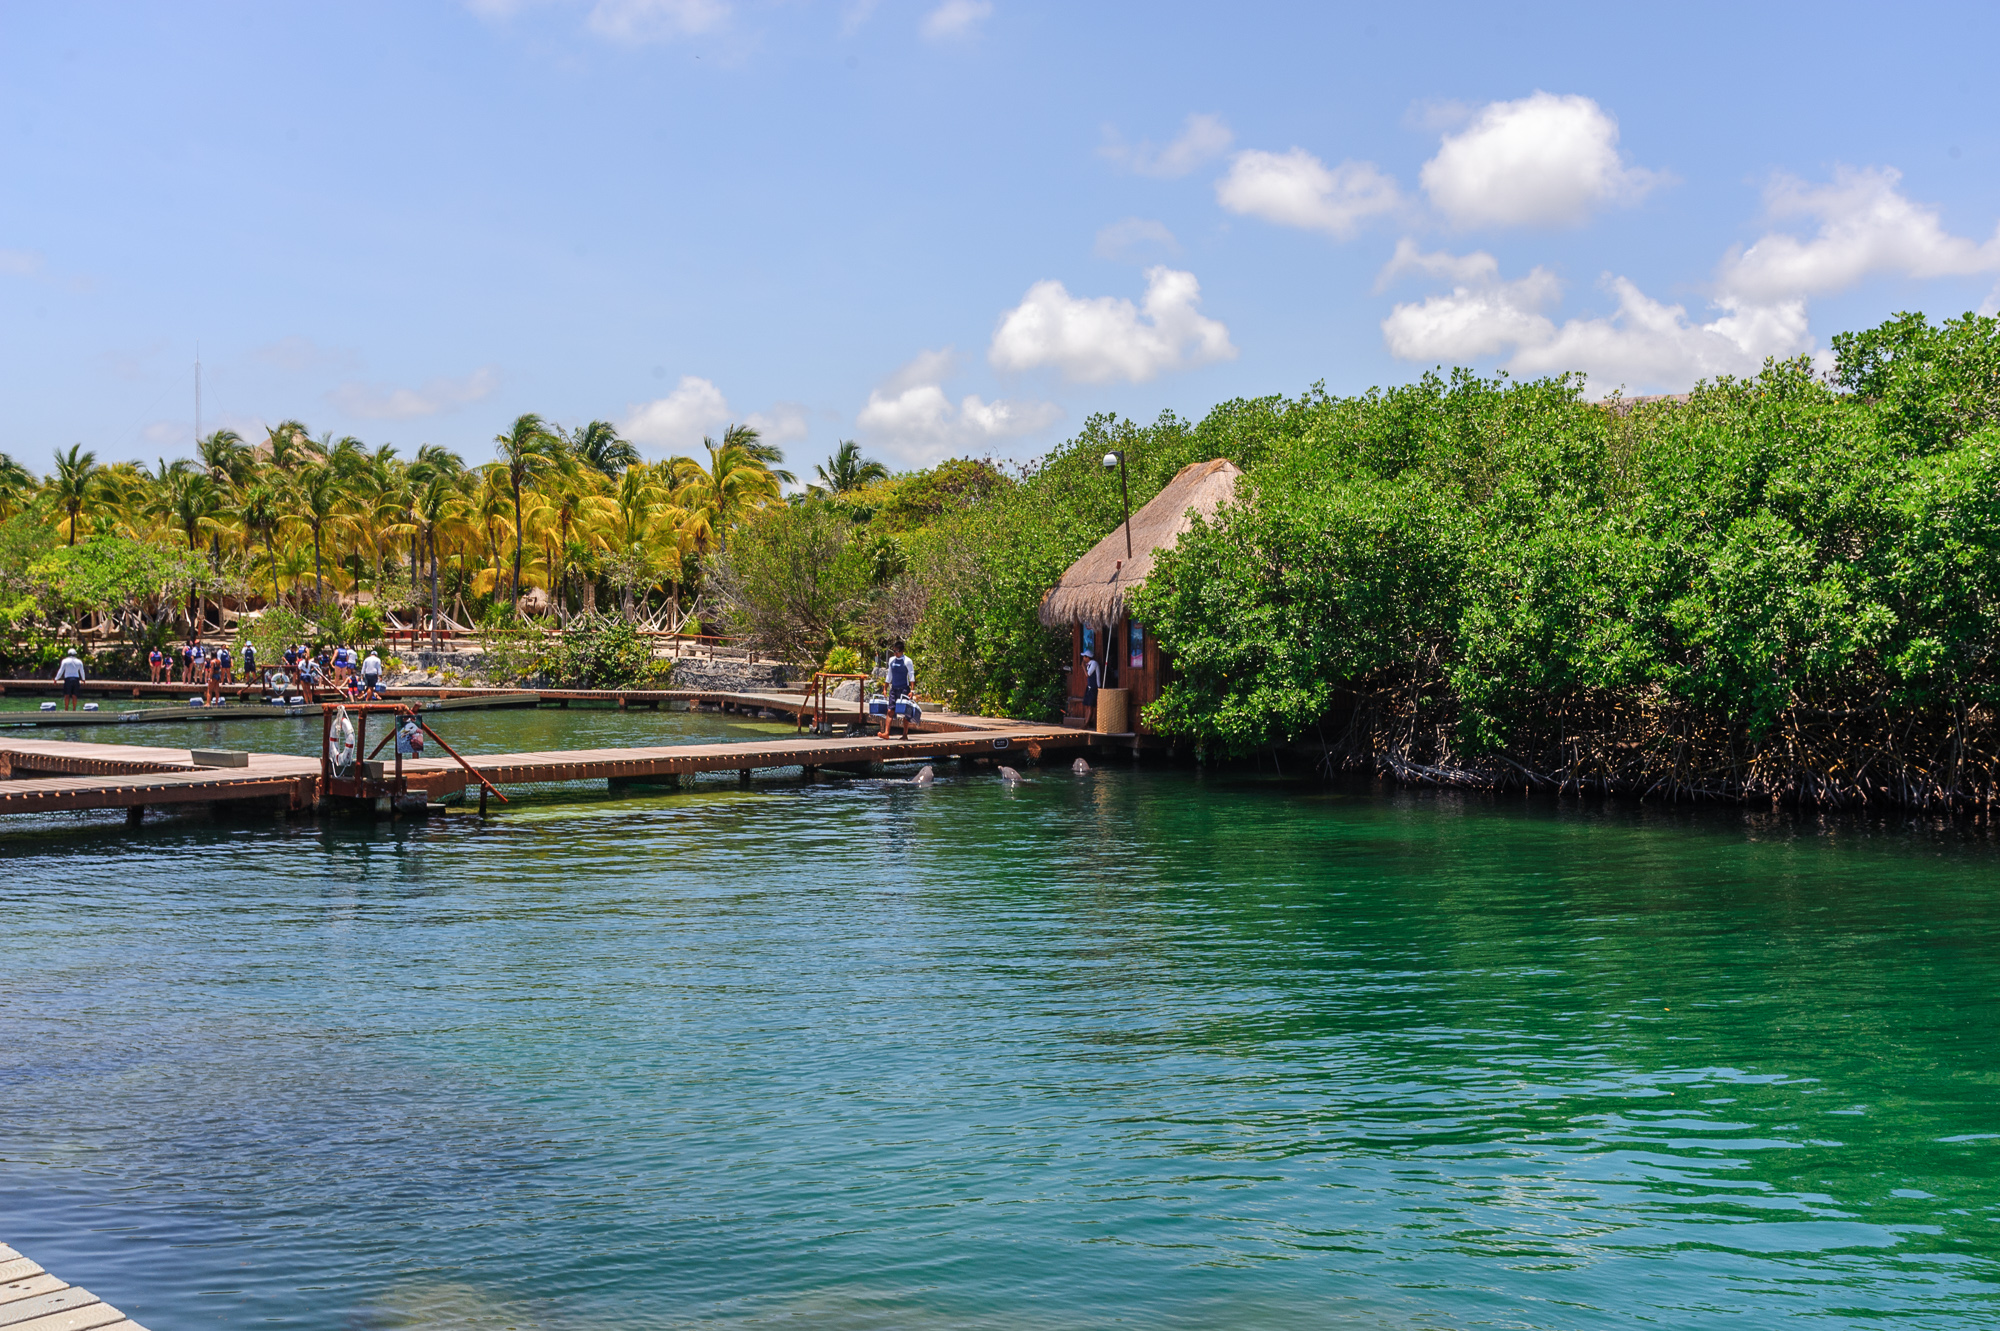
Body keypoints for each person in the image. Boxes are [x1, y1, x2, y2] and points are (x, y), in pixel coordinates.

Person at [879, 639, 915, 739]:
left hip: (904, 689)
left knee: (905, 711)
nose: (895, 653)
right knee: (890, 710)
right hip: (894, 689)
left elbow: (911, 676)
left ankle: (905, 734)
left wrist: (912, 691)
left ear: (902, 651)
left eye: (897, 651)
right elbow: (889, 675)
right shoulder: (891, 660)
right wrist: (885, 688)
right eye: (894, 651)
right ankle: (886, 733)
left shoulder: (907, 661)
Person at [54, 645, 87, 711]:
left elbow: (61, 670)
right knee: (74, 695)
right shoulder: (79, 661)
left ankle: (66, 709)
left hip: (68, 679)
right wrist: (83, 679)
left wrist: (56, 679)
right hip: (76, 679)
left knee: (67, 695)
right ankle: (74, 709)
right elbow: (82, 671)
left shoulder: (65, 661)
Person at [1082, 649, 1101, 726]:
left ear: (1087, 657)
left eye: (1084, 657)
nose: (1083, 658)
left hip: (1094, 687)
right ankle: (1087, 721)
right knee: (1087, 705)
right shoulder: (1089, 664)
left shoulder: (1094, 663)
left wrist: (1083, 667)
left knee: (1090, 706)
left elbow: (1088, 674)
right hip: (1089, 687)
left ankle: (1087, 723)